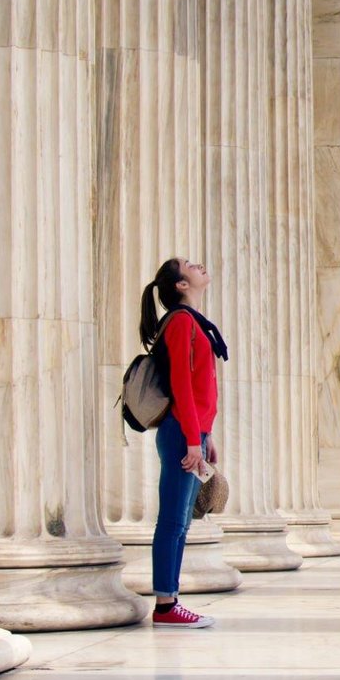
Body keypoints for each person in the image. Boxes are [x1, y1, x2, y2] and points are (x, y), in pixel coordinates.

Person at [139, 257, 226, 628]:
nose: (200, 265)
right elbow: (181, 386)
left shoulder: (193, 323)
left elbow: (200, 385)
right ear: (181, 285)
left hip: (192, 433)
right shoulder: (180, 323)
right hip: (181, 432)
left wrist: (206, 436)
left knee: (182, 522)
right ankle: (165, 604)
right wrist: (193, 438)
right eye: (191, 265)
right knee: (172, 521)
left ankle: (170, 600)